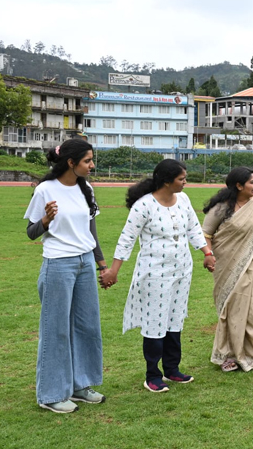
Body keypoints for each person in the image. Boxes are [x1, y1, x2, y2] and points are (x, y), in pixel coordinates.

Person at [99, 160, 210, 393]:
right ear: (166, 181)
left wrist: (207, 253)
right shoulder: (144, 206)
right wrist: (113, 271)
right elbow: (126, 239)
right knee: (155, 321)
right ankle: (153, 375)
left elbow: (194, 228)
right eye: (181, 179)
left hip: (182, 270)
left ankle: (172, 369)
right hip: (154, 273)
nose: (185, 182)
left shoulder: (184, 200)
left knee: (175, 318)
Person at [23, 138, 107, 414]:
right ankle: (50, 394)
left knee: (88, 327)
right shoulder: (45, 190)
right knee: (56, 330)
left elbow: (90, 230)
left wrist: (100, 263)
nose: (92, 165)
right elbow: (31, 232)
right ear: (71, 163)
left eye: (92, 160)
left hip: (84, 263)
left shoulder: (87, 189)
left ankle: (80, 385)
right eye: (87, 161)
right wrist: (46, 220)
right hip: (58, 264)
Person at [202, 167, 253, 372]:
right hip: (228, 266)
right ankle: (229, 354)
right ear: (239, 186)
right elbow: (206, 234)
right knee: (232, 307)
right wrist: (208, 254)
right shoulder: (222, 208)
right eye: (252, 182)